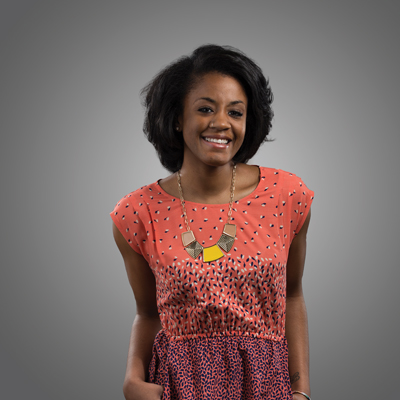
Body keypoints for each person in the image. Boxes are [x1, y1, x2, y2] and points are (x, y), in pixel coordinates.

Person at [110, 44, 314, 400]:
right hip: (179, 386)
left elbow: (293, 294)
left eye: (235, 112)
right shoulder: (136, 213)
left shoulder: (287, 195)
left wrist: (301, 390)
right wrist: (131, 379)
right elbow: (147, 313)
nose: (221, 123)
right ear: (177, 117)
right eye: (205, 109)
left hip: (265, 385)